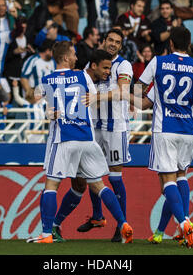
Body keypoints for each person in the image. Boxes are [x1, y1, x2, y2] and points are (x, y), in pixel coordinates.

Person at [26, 41, 133, 244]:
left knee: (51, 186)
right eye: (73, 54)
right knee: (99, 185)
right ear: (65, 57)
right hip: (86, 138)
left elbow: (35, 99)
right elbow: (92, 99)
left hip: (63, 138)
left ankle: (47, 234)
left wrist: (49, 111)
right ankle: (123, 224)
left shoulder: (47, 79)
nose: (76, 57)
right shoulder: (83, 75)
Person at [137, 26, 193, 249]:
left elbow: (139, 90)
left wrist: (126, 100)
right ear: (189, 45)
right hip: (188, 131)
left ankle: (184, 222)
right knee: (181, 176)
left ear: (170, 44)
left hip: (165, 128)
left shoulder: (158, 63)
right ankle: (178, 227)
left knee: (167, 180)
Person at [72, 28, 133, 243]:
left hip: (116, 127)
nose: (113, 44)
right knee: (92, 172)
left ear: (121, 45)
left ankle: (121, 224)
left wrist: (97, 97)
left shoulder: (123, 65)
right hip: (95, 127)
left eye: (118, 41)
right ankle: (98, 216)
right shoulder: (94, 64)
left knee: (115, 176)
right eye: (111, 40)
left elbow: (125, 92)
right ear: (104, 40)